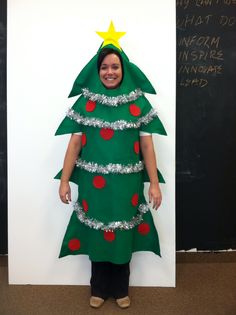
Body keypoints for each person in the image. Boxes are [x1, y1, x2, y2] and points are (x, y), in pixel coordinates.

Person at [55, 22, 166, 309]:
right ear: (97, 69)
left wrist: (153, 183)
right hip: (94, 186)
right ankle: (99, 287)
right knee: (97, 230)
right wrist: (65, 180)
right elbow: (75, 144)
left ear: (123, 69)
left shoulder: (137, 104)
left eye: (115, 66)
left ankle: (120, 287)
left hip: (126, 186)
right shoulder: (86, 103)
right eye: (104, 67)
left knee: (122, 231)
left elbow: (147, 146)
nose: (110, 72)